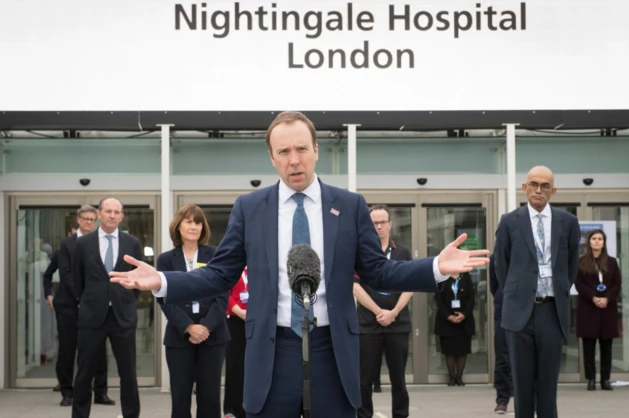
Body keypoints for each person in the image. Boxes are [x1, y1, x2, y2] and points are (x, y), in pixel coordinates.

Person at [110, 112, 490, 418]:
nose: (294, 160)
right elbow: (219, 274)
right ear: (271, 157)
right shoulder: (250, 208)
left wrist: (436, 267)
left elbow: (378, 271)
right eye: (284, 152)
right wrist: (161, 280)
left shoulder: (350, 205)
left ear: (317, 150)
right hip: (272, 348)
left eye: (302, 149)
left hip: (332, 346)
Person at [494, 166, 580, 418]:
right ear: (525, 188)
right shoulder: (510, 221)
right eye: (533, 184)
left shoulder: (568, 222)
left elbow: (571, 265)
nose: (538, 190)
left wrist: (558, 290)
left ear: (553, 191)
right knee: (520, 384)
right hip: (520, 312)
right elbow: (501, 266)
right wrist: (517, 295)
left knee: (548, 385)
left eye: (544, 186)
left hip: (551, 311)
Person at [72, 197, 142, 418]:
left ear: (121, 216)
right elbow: (77, 279)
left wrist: (124, 298)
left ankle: (131, 415)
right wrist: (91, 300)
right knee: (84, 373)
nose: (112, 215)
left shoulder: (132, 243)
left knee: (128, 374)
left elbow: (137, 279)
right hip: (92, 316)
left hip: (122, 316)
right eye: (108, 211)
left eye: (116, 212)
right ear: (99, 214)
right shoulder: (83, 243)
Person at [158, 204, 229, 418]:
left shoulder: (216, 255)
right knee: (180, 398)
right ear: (178, 226)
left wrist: (205, 326)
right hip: (179, 337)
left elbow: (223, 294)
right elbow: (164, 298)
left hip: (213, 335)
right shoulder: (166, 259)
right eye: (188, 222)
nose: (193, 226)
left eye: (197, 222)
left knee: (210, 398)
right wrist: (189, 326)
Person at [353, 205, 413, 418]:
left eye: (382, 222)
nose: (379, 227)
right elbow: (354, 285)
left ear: (390, 224)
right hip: (368, 324)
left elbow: (410, 285)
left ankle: (400, 415)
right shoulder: (360, 252)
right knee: (364, 379)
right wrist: (379, 311)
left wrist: (393, 312)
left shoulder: (402, 252)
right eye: (374, 223)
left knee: (399, 379)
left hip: (397, 324)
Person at [51, 210, 112, 407]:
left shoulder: (101, 242)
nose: (88, 222)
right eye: (85, 219)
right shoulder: (67, 244)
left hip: (95, 306)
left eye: (92, 219)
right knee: (68, 349)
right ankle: (68, 392)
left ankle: (100, 392)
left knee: (99, 350)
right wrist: (81, 296)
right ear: (78, 221)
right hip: (70, 305)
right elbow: (67, 274)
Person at [574, 229, 621, 391]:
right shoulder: (581, 261)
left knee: (606, 346)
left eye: (600, 239)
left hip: (607, 309)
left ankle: (605, 379)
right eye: (594, 238)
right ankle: (591, 379)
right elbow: (578, 284)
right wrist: (594, 297)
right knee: (589, 347)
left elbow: (617, 284)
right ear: (589, 242)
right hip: (589, 308)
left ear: (604, 242)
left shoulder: (612, 262)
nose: (597, 241)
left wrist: (607, 298)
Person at [434, 272, 475, 387]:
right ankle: (452, 378)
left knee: (462, 350)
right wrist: (448, 316)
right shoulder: (441, 277)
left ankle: (459, 378)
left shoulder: (465, 276)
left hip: (464, 320)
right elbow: (438, 300)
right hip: (446, 320)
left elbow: (471, 298)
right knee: (449, 350)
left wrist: (464, 314)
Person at [223, 267, 249, 418]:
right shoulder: (232, 266)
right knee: (235, 366)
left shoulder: (258, 265)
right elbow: (224, 290)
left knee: (254, 367)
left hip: (256, 320)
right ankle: (232, 410)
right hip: (234, 320)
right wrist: (237, 310)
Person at [489, 254, 511, 414]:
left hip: (527, 310)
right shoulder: (496, 258)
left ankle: (535, 400)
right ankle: (502, 399)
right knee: (502, 357)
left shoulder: (529, 252)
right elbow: (493, 286)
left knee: (529, 358)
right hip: (503, 310)